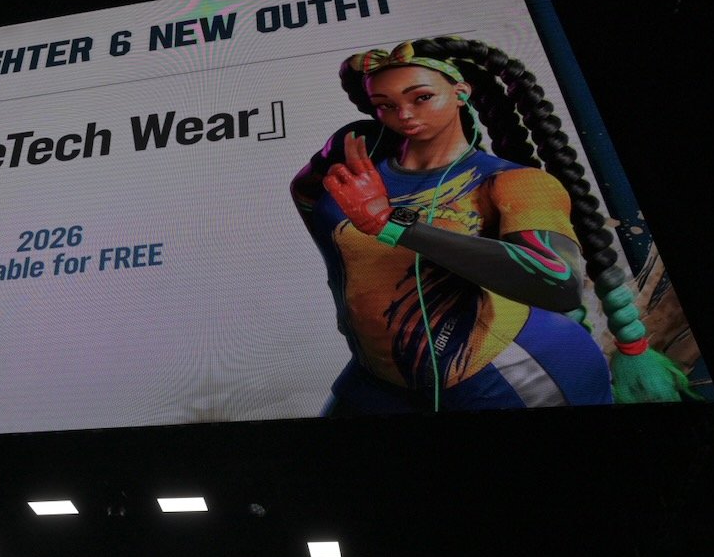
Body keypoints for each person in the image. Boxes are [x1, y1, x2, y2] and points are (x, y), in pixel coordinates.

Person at [291, 38, 693, 415]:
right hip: (378, 377)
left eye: (422, 97)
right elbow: (311, 200)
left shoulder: (512, 182)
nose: (404, 114)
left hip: (515, 372)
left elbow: (559, 281)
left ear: (460, 92)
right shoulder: (357, 157)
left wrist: (391, 223)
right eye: (385, 105)